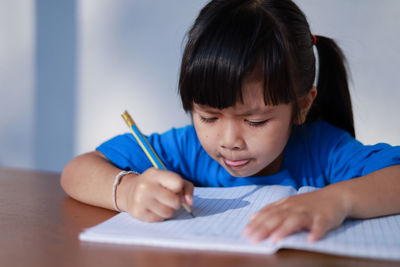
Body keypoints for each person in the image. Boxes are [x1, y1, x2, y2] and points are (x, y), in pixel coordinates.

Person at [61, 0, 400, 243]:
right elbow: (77, 171)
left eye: (255, 121)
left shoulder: (322, 150)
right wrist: (130, 190)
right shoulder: (187, 149)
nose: (228, 140)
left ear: (301, 107)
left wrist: (337, 200)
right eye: (208, 116)